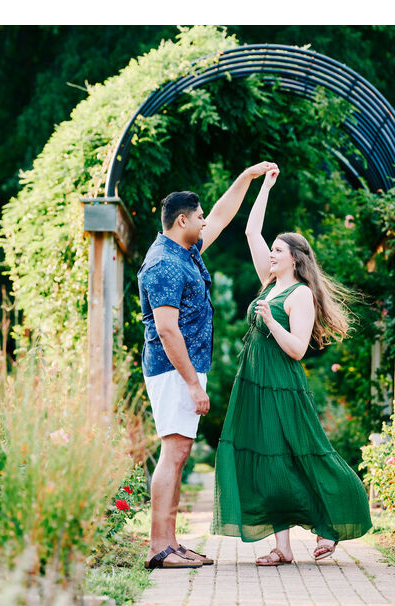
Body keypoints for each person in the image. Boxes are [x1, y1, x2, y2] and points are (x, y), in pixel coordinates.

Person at [210, 167, 372, 566]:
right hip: (254, 383)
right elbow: (251, 231)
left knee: (305, 454)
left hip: (283, 385)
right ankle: (281, 548)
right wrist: (264, 186)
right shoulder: (269, 282)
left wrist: (269, 321)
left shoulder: (299, 295)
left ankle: (332, 525)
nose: (271, 253)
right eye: (273, 250)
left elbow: (298, 349)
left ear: (295, 259)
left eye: (278, 251)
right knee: (269, 459)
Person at [138, 161, 278, 570]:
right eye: (197, 218)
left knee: (179, 454)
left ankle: (172, 543)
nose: (204, 223)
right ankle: (159, 548)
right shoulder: (163, 262)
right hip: (172, 369)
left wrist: (247, 179)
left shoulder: (184, 248)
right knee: (174, 452)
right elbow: (166, 330)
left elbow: (220, 214)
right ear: (182, 220)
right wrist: (193, 386)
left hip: (183, 368)